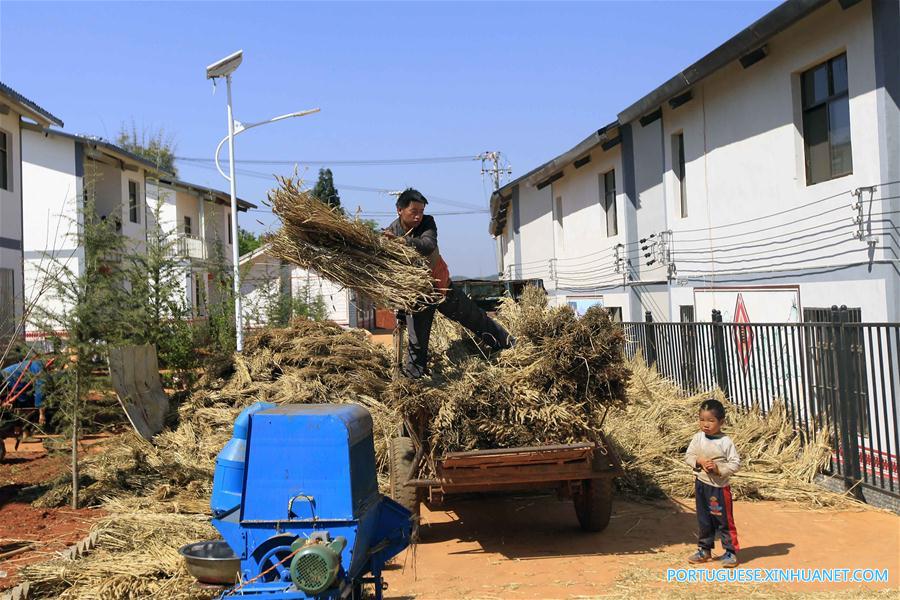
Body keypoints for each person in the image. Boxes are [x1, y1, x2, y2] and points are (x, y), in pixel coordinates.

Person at [384, 188, 514, 379]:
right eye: (414, 212)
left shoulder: (427, 223)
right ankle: (414, 381)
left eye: (421, 211)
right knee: (417, 341)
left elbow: (428, 245)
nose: (418, 216)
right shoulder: (390, 234)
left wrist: (403, 243)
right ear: (399, 210)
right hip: (417, 297)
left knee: (474, 317)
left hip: (441, 286)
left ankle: (507, 344)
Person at [685, 398, 741, 568]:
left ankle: (730, 552)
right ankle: (704, 549)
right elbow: (688, 456)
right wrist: (699, 461)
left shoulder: (725, 442)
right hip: (701, 484)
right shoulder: (698, 438)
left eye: (711, 420)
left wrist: (718, 468)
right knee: (704, 519)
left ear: (721, 422)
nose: (705, 424)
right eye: (702, 419)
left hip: (719, 489)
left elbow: (735, 463)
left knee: (723, 520)